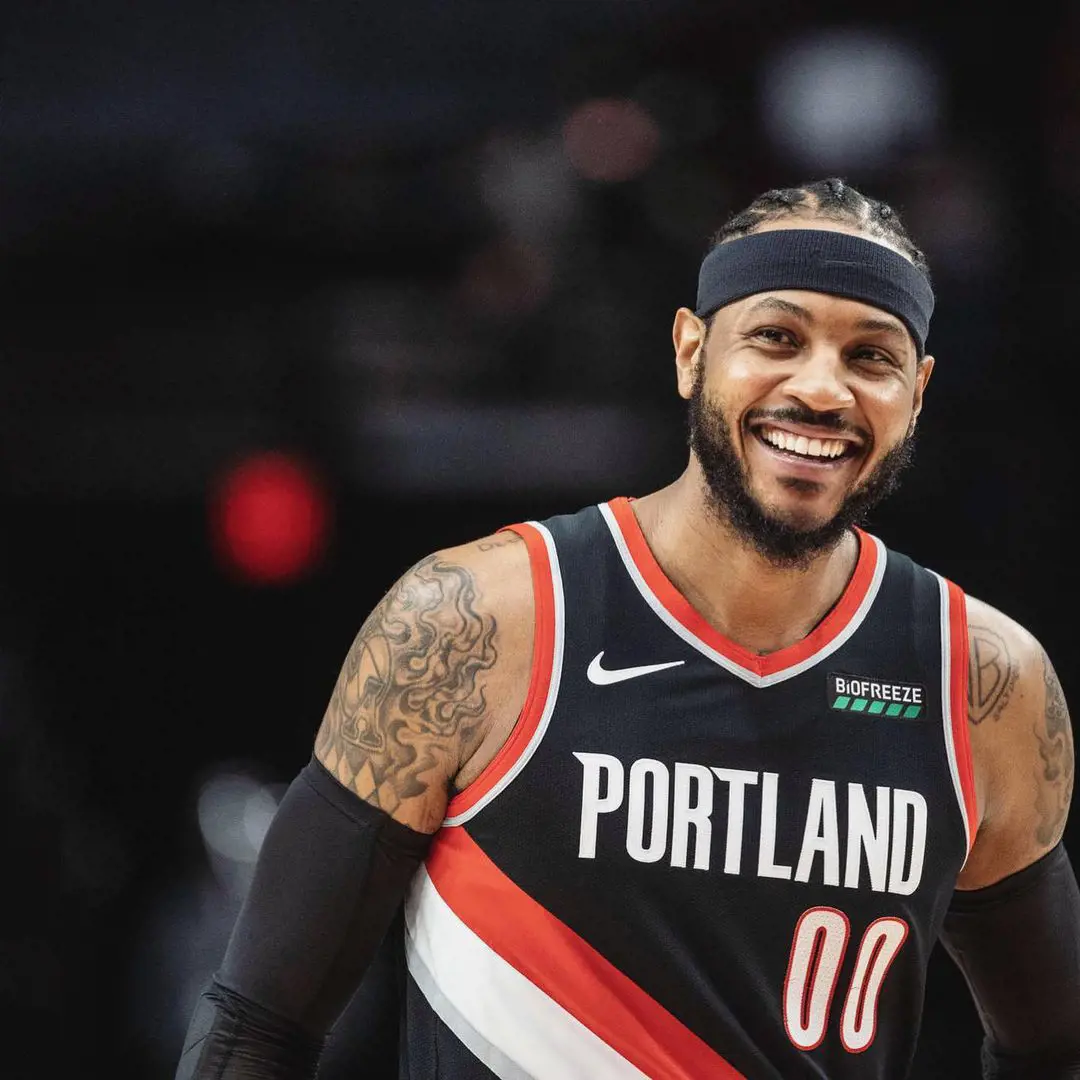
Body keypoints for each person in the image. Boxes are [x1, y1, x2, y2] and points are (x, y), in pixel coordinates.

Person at [174, 177, 1080, 1080]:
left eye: (871, 356)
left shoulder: (984, 685)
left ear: (915, 394)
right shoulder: (477, 620)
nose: (820, 388)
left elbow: (1053, 1048)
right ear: (691, 351)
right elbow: (257, 1028)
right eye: (776, 336)